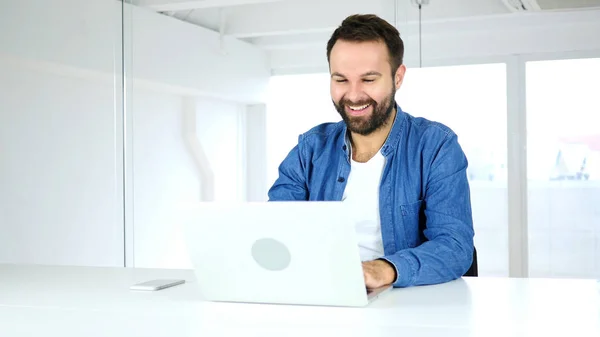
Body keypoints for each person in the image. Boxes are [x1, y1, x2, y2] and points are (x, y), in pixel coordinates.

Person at [268, 14, 475, 288]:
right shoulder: (310, 149)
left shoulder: (436, 146)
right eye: (341, 80)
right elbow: (276, 230)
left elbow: (454, 247)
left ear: (397, 77)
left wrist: (383, 270)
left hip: (403, 299)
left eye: (368, 79)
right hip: (322, 293)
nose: (353, 95)